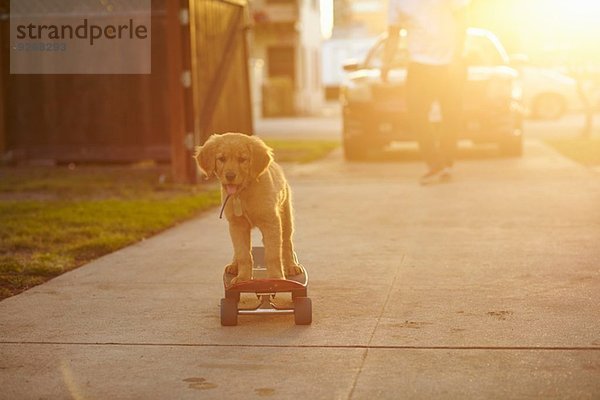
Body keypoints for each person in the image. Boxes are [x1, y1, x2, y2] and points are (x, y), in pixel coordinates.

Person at [382, 0, 469, 184]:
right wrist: (385, 64)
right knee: (416, 114)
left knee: (452, 115)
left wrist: (457, 56)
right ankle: (435, 164)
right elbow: (393, 34)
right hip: (419, 65)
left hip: (449, 64)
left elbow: (462, 19)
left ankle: (445, 162)